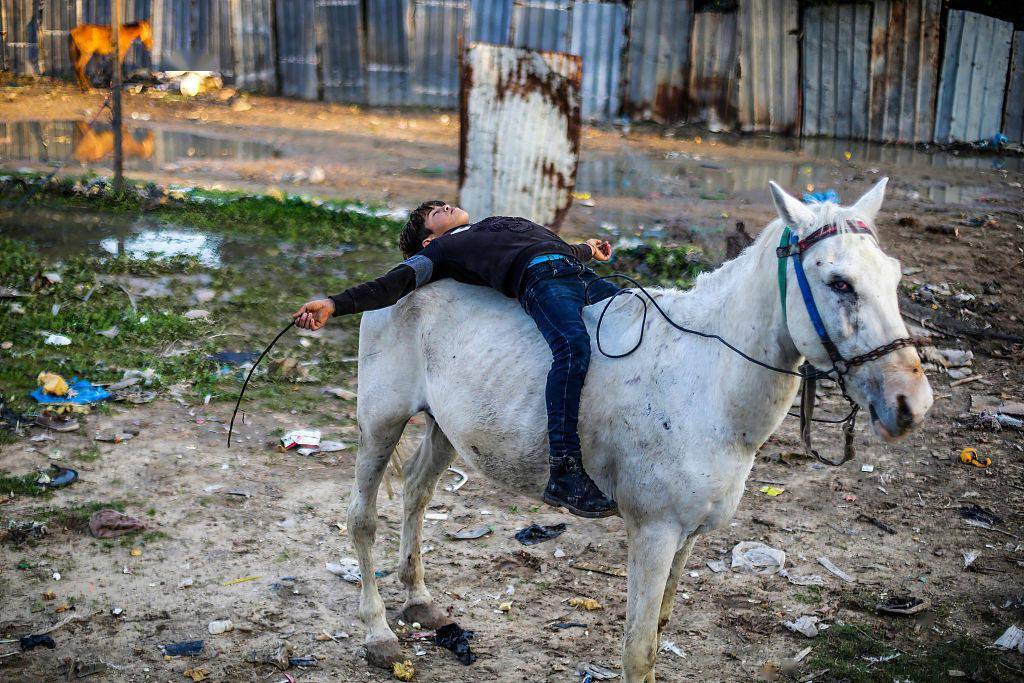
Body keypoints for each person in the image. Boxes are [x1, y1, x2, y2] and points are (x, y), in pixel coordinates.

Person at [294, 201, 620, 517]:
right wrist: (334, 304)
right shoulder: (442, 251)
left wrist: (588, 249)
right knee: (572, 346)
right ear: (428, 240)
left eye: (445, 205)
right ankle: (564, 469)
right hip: (542, 280)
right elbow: (393, 285)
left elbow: (547, 244)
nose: (446, 206)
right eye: (436, 213)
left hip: (578, 271)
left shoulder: (493, 225)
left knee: (645, 320)